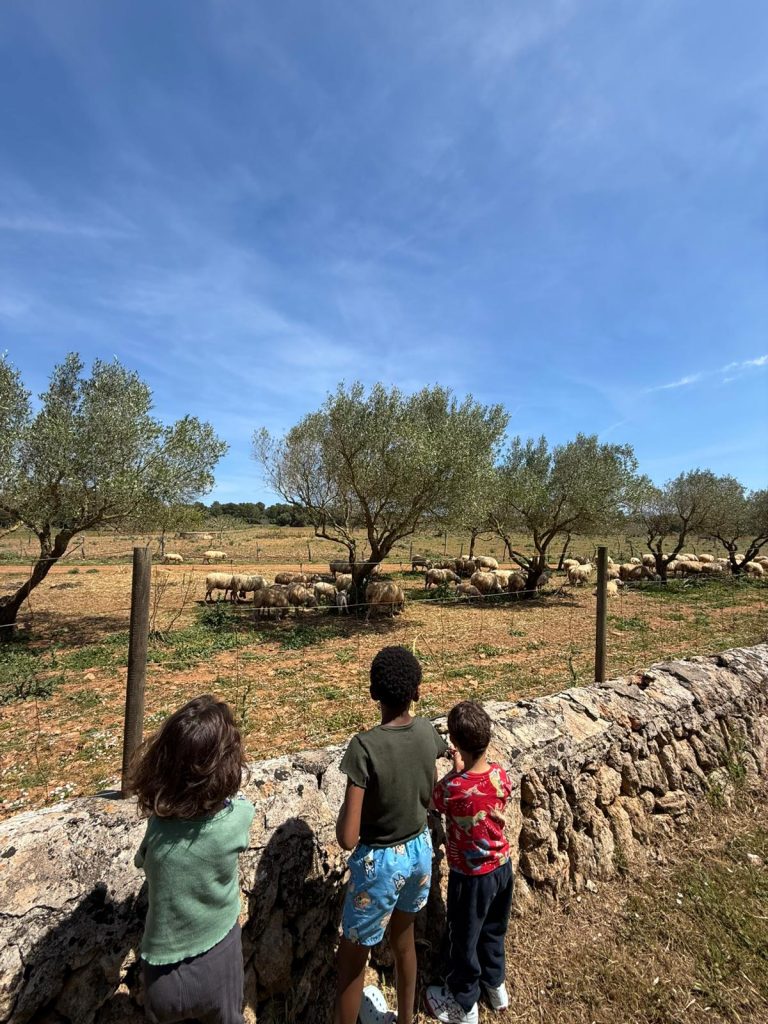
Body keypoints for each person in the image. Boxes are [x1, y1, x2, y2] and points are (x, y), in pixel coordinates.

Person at [334, 645, 449, 1024]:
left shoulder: (364, 748)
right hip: (419, 853)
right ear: (417, 691)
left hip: (380, 864)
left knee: (352, 961)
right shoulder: (428, 733)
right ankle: (406, 1019)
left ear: (373, 693)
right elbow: (431, 795)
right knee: (404, 942)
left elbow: (348, 837)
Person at [128, 694, 255, 1024]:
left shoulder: (157, 830)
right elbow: (241, 807)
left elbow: (143, 862)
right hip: (219, 961)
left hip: (161, 971)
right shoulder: (239, 819)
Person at [425, 701, 513, 1024]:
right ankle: (496, 985)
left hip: (471, 878)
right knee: (494, 929)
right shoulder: (501, 776)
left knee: (464, 938)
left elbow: (434, 798)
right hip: (502, 868)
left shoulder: (453, 788)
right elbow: (495, 791)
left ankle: (464, 1002)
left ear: (457, 745)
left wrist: (454, 770)